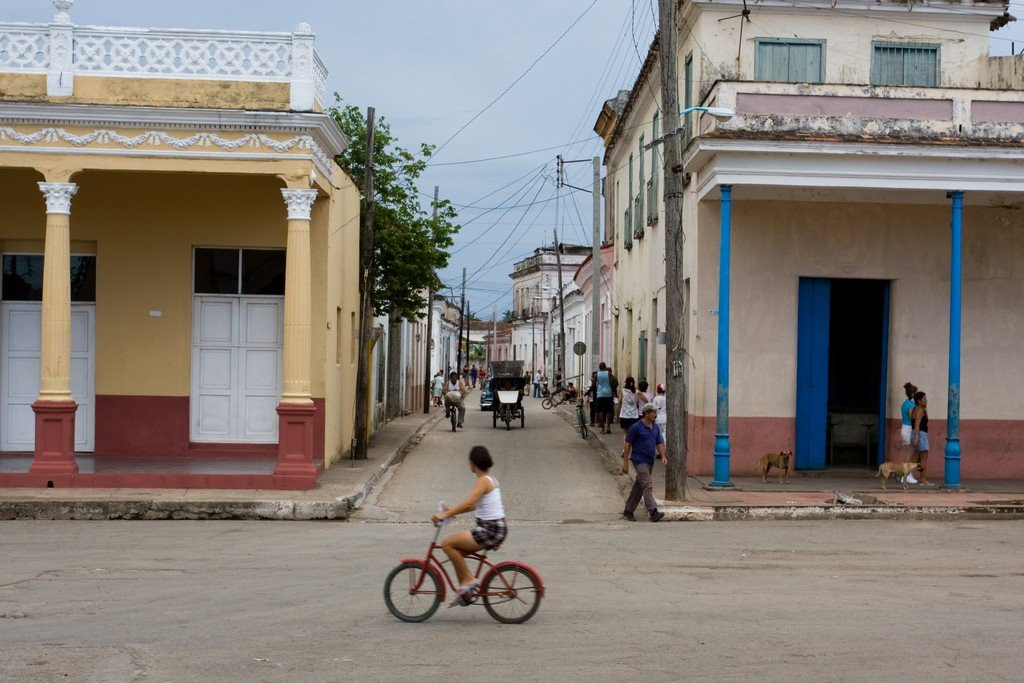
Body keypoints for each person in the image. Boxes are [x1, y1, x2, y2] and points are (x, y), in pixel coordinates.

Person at [431, 446, 508, 605]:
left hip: (489, 530)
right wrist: (451, 511)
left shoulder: (483, 481)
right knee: (456, 551)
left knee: (447, 544)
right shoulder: (490, 479)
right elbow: (474, 506)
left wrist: (445, 515)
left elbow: (468, 504)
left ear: (472, 463)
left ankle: (469, 580)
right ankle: (465, 593)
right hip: (496, 529)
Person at [621, 403, 667, 522]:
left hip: (649, 461)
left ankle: (628, 511)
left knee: (639, 487)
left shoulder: (655, 427)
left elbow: (660, 442)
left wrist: (663, 456)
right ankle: (653, 511)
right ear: (647, 414)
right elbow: (627, 445)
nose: (656, 415)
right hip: (639, 460)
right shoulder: (636, 427)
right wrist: (625, 462)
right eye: (654, 412)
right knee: (647, 484)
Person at [910, 390, 930, 484]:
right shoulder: (920, 411)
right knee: (924, 458)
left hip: (916, 433)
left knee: (916, 457)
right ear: (919, 401)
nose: (926, 401)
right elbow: (917, 424)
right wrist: (917, 438)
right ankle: (922, 479)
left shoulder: (915, 409)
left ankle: (904, 474)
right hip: (920, 434)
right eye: (924, 399)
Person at [900, 382, 917, 463]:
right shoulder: (911, 405)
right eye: (915, 393)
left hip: (905, 428)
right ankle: (906, 474)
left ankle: (907, 473)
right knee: (909, 453)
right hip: (909, 429)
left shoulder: (905, 403)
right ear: (913, 393)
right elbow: (912, 418)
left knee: (909, 452)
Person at [595, 362, 615, 433]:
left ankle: (603, 428)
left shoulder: (597, 374)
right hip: (608, 394)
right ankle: (608, 427)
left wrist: (589, 392)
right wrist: (614, 392)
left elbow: (594, 384)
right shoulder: (609, 373)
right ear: (605, 367)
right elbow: (613, 382)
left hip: (600, 394)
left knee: (599, 411)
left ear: (599, 368)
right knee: (609, 410)